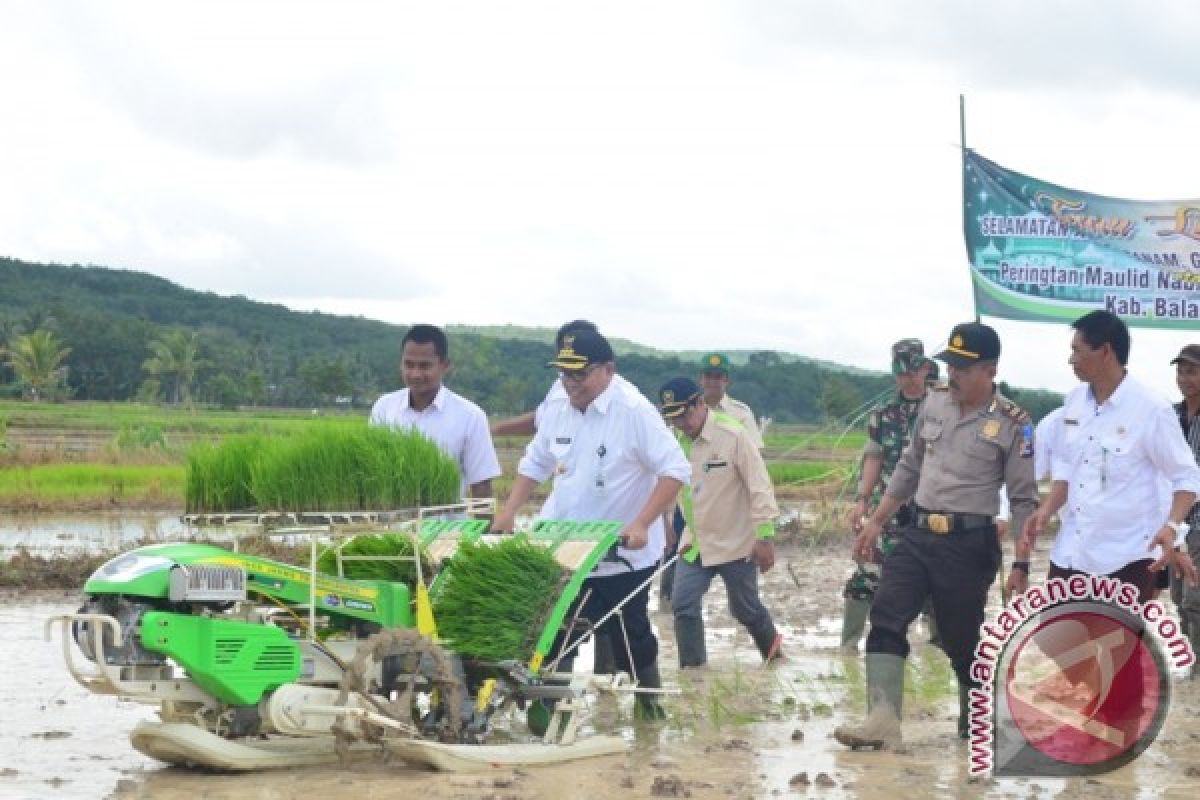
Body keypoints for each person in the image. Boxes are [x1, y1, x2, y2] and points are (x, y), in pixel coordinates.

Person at [834, 322, 1037, 749]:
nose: (954, 376)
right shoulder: (935, 404)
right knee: (887, 615)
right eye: (950, 366)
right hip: (917, 533)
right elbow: (908, 468)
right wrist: (876, 520)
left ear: (990, 369)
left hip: (968, 544)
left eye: (964, 368)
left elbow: (1022, 501)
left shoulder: (1014, 423)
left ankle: (976, 713)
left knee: (960, 638)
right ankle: (882, 720)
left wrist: (1021, 562)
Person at [492, 330, 690, 716]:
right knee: (553, 629)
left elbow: (675, 470)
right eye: (564, 374)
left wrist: (642, 523)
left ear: (608, 371)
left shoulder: (633, 412)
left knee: (631, 636)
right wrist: (508, 513)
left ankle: (650, 709)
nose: (570, 384)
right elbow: (536, 463)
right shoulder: (559, 405)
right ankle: (548, 714)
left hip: (620, 551)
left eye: (579, 375)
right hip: (565, 546)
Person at [1015, 311, 1200, 605]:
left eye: (1077, 350)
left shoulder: (1151, 410)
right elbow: (1067, 469)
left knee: (1114, 647)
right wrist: (1047, 510)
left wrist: (1173, 527)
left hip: (1126, 557)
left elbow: (1186, 477)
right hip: (1072, 552)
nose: (1071, 360)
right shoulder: (1074, 402)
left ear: (1105, 352)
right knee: (1060, 639)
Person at [657, 377, 783, 668]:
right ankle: (693, 672)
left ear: (700, 403)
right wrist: (665, 522)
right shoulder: (673, 441)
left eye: (685, 414)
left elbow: (759, 486)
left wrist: (764, 537)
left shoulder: (734, 436)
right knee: (683, 604)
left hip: (736, 542)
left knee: (745, 609)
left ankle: (775, 658)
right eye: (673, 417)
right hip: (696, 542)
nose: (681, 422)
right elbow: (668, 484)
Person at [840, 339, 934, 652]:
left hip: (931, 507)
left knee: (935, 583)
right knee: (867, 574)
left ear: (924, 368)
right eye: (900, 372)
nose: (907, 378)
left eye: (912, 371)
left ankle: (938, 649)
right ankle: (848, 646)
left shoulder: (941, 407)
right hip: (887, 507)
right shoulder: (883, 414)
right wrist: (862, 499)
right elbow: (873, 457)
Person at [369, 324, 501, 501]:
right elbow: (372, 474)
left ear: (444, 365)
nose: (415, 374)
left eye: (425, 366)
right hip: (393, 525)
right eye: (409, 365)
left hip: (448, 527)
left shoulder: (470, 416)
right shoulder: (384, 408)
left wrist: (486, 528)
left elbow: (481, 486)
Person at [1169, 344, 1200, 677]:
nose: (1185, 378)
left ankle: (1198, 663)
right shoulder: (1171, 417)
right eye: (1181, 371)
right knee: (1178, 596)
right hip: (1176, 523)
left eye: (1192, 371)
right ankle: (1190, 658)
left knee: (1195, 597)